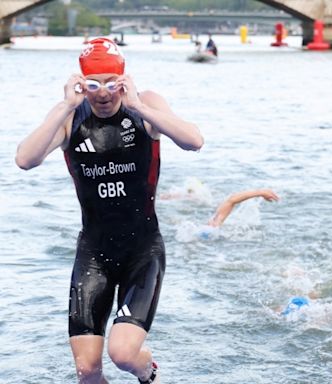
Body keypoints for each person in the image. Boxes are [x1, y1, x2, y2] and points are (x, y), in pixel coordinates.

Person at [15, 37, 203, 383]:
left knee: (123, 354)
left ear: (123, 80)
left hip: (142, 251)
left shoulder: (146, 105)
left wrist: (140, 107)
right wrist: (63, 106)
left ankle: (149, 374)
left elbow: (194, 140)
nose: (102, 95)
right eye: (92, 85)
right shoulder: (70, 117)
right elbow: (25, 160)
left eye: (111, 85)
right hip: (94, 254)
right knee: (87, 371)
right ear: (80, 83)